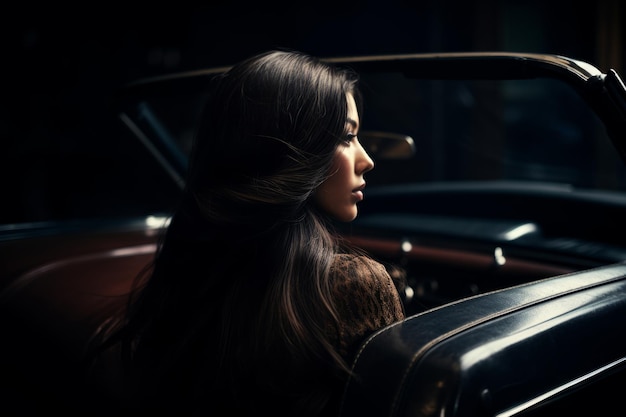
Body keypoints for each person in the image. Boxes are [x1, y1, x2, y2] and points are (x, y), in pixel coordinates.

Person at [89, 49, 406, 417]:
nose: (366, 159)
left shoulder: (190, 268)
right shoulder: (353, 285)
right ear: (290, 151)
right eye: (346, 137)